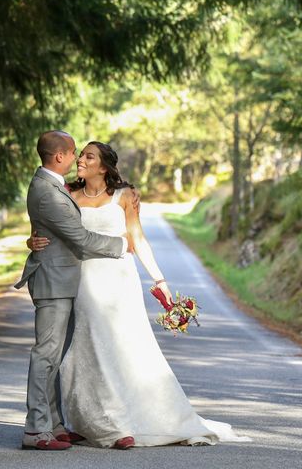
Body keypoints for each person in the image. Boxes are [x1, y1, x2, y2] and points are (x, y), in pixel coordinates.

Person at [27, 141, 251, 448]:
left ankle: (122, 419)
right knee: (88, 348)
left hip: (119, 279)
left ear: (103, 167)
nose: (81, 159)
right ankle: (98, 421)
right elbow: (52, 225)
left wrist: (159, 279)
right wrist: (32, 240)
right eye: (80, 154)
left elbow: (138, 240)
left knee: (122, 345)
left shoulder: (125, 196)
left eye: (88, 156)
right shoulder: (67, 193)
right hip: (84, 280)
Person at [14, 131, 130, 451]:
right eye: (74, 152)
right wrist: (121, 245)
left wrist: (33, 238)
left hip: (62, 278)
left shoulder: (51, 185)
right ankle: (36, 430)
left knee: (54, 356)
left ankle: (53, 423)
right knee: (46, 355)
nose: (78, 157)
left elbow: (51, 229)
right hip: (53, 281)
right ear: (60, 157)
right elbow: (80, 238)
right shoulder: (47, 191)